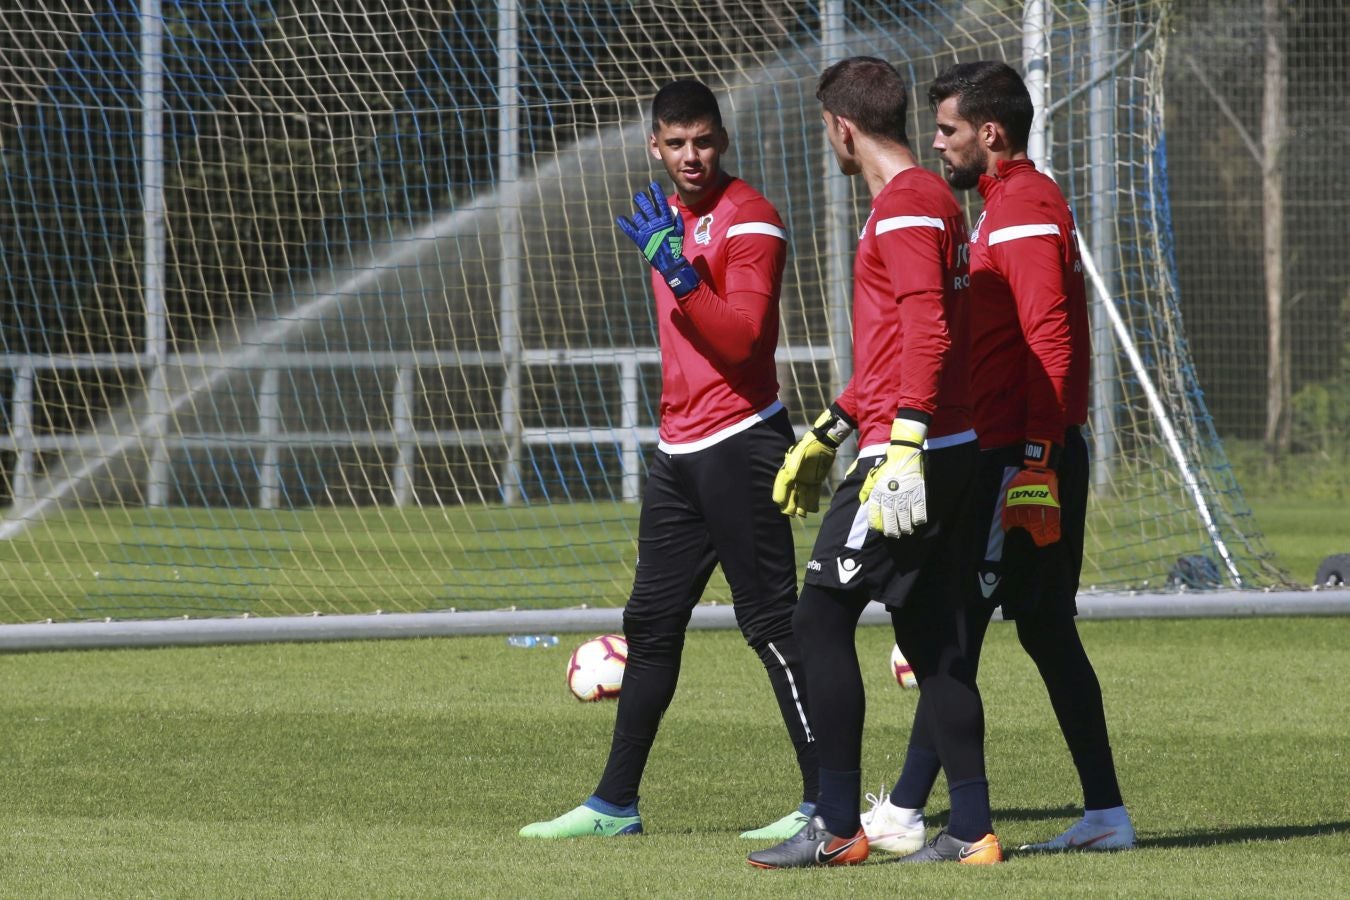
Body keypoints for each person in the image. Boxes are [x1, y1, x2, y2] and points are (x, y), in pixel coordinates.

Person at [520, 79, 818, 841]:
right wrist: (672, 254)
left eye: (704, 141)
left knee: (770, 623)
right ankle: (614, 805)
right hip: (678, 451)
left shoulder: (750, 219)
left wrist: (680, 271)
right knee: (650, 623)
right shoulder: (668, 217)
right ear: (654, 145)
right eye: (676, 143)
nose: (691, 156)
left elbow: (744, 339)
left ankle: (829, 801)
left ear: (723, 140)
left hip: (743, 442)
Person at [862, 60, 1135, 854]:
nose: (937, 144)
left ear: (990, 133)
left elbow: (1050, 343)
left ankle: (909, 812)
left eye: (947, 130)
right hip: (1014, 448)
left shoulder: (1022, 209)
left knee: (962, 625)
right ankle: (1101, 814)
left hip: (1022, 455)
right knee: (1028, 629)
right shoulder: (1005, 205)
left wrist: (1036, 464)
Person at [747, 56, 1002, 868]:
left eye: (827, 131)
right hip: (937, 444)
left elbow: (929, 333)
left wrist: (902, 444)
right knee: (933, 642)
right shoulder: (927, 200)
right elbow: (894, 347)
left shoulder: (903, 207)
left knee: (817, 617)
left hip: (917, 452)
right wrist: (829, 429)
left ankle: (834, 825)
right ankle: (972, 831)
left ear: (841, 128)